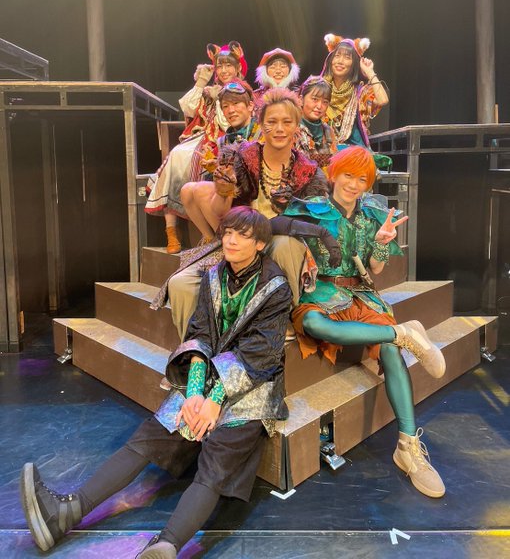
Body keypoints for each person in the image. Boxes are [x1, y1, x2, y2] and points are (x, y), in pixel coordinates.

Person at [20, 208, 292, 558]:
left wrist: (214, 400)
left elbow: (261, 354)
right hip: (209, 374)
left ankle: (167, 544)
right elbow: (199, 336)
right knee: (151, 435)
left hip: (254, 383)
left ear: (260, 244)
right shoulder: (213, 276)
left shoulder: (276, 287)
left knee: (218, 460)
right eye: (227, 233)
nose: (231, 240)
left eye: (242, 235)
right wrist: (193, 394)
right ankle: (64, 513)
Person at [285, 145, 447, 498]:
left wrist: (382, 243)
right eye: (348, 175)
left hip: (359, 294)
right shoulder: (309, 210)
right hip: (320, 293)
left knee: (389, 351)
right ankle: (402, 332)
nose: (354, 185)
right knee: (315, 326)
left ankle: (408, 447)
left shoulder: (373, 213)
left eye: (363, 179)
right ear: (333, 175)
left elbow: (375, 268)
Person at [166, 88, 330, 339]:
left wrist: (287, 210)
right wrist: (223, 192)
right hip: (240, 239)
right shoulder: (242, 157)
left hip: (280, 242)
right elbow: (221, 213)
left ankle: (284, 316)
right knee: (180, 284)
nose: (279, 129)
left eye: (287, 122)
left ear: (297, 126)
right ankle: (196, 349)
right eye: (272, 122)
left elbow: (313, 221)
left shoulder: (309, 171)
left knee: (285, 243)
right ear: (261, 124)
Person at [145, 41, 248, 253]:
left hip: (225, 138)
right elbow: (188, 108)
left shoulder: (241, 91)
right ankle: (171, 230)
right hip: (204, 135)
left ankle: (214, 237)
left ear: (238, 67)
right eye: (220, 66)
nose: (224, 70)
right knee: (176, 155)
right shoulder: (210, 90)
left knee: (191, 158)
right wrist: (201, 83)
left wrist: (219, 99)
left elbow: (229, 122)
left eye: (228, 65)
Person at [181, 81, 260, 242]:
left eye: (236, 103)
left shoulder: (260, 132)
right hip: (232, 194)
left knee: (202, 189)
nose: (231, 110)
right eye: (225, 106)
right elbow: (226, 176)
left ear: (250, 106)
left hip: (254, 196)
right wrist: (215, 169)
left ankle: (224, 241)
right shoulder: (223, 140)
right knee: (187, 190)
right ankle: (211, 240)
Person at [321, 33, 391, 170]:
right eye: (337, 56)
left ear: (354, 64)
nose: (340, 61)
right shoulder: (318, 89)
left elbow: (382, 100)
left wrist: (370, 72)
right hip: (324, 154)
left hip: (354, 156)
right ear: (330, 60)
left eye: (347, 57)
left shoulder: (359, 93)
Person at [293, 75, 337, 169]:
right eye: (314, 99)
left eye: (325, 102)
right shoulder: (292, 129)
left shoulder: (328, 131)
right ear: (301, 100)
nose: (319, 106)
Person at [253, 48, 300, 114]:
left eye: (283, 66)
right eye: (273, 67)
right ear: (265, 71)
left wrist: (290, 55)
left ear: (290, 71)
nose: (278, 71)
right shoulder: (256, 96)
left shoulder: (298, 95)